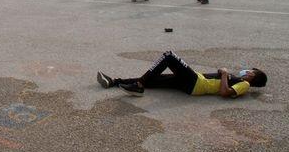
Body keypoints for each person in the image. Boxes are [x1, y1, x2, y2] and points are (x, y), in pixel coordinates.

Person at [97, 50, 267, 98]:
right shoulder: (240, 79)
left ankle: (138, 86)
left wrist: (224, 74)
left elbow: (225, 93)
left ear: (253, 76)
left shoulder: (244, 85)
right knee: (154, 79)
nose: (248, 70)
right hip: (193, 82)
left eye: (251, 71)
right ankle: (114, 81)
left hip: (196, 84)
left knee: (169, 56)